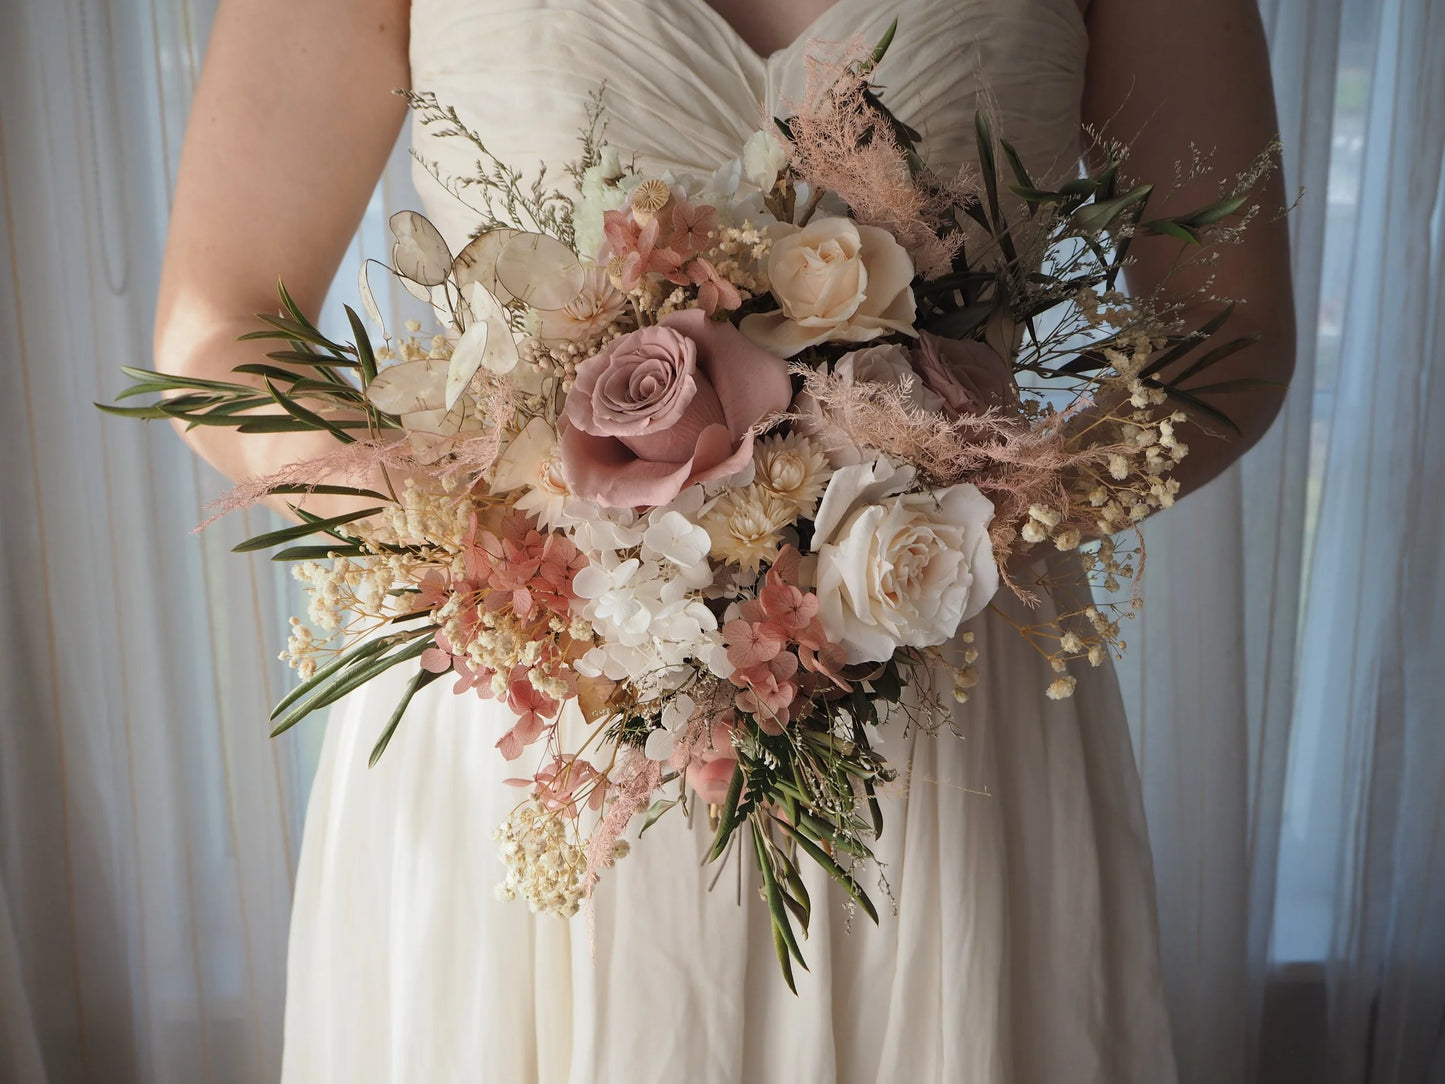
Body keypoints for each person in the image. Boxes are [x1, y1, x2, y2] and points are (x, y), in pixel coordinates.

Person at [154, 1, 1294, 1080]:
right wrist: (513, 562)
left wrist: (946, 520)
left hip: (936, 692)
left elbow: (1225, 335)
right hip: (549, 718)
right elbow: (216, 331)